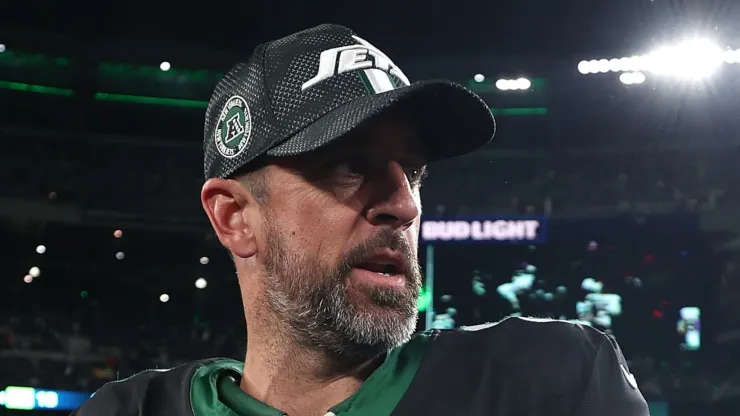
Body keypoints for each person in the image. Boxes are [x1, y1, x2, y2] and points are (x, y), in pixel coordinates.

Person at [72, 24, 649, 416]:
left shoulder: (545, 383)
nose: (406, 205)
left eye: (415, 173)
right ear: (235, 218)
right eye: (351, 166)